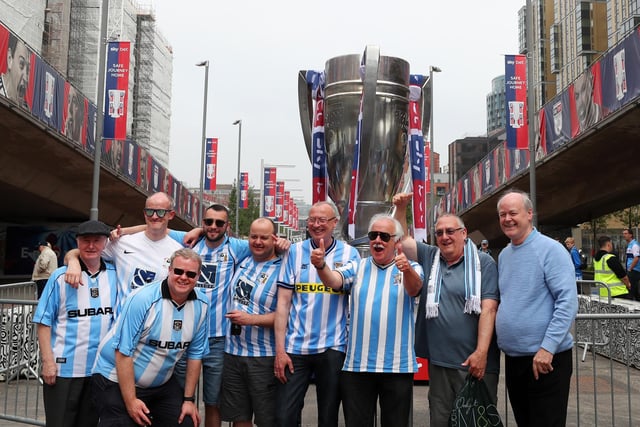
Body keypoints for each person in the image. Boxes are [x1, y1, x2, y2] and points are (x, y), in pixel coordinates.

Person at [393, 193, 500, 427]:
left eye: (450, 231)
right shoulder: (431, 257)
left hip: (474, 364)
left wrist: (481, 353)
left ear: (464, 233)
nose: (444, 236)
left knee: (475, 422)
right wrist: (402, 209)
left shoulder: (483, 263)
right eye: (439, 232)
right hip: (440, 363)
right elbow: (402, 240)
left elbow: (489, 309)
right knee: (440, 420)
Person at [314, 214, 423, 427]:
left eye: (384, 236)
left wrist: (407, 269)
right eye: (373, 235)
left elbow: (415, 289)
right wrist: (321, 266)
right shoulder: (358, 266)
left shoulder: (412, 267)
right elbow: (334, 280)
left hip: (397, 366)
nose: (378, 240)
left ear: (397, 242)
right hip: (358, 366)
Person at [92, 248, 209, 427]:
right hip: (114, 378)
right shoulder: (142, 299)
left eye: (190, 274)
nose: (183, 277)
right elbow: (123, 352)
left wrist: (188, 400)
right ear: (169, 270)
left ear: (198, 276)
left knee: (186, 422)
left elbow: (195, 354)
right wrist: (131, 402)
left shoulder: (202, 305)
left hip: (160, 385)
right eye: (178, 271)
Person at [274, 201, 360, 427]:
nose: (316, 224)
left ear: (334, 223)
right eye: (312, 219)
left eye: (322, 220)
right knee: (284, 416)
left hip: (332, 347)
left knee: (328, 417)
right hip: (295, 348)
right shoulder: (294, 251)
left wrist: (321, 265)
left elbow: (335, 282)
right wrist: (280, 351)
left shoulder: (350, 253)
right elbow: (283, 303)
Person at [496, 189, 578, 426]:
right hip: (515, 360)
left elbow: (567, 302)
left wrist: (547, 348)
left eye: (513, 213)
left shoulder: (551, 250)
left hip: (545, 360)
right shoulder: (505, 255)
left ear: (529, 214)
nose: (507, 219)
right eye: (502, 214)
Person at [33, 220, 117, 427]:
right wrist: (48, 362)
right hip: (64, 372)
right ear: (77, 242)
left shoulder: (117, 274)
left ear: (105, 243)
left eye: (96, 241)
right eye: (85, 241)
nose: (91, 246)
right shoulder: (59, 277)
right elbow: (43, 322)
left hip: (99, 371)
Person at [64, 192, 183, 315]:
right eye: (149, 211)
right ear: (144, 213)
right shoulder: (121, 243)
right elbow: (86, 251)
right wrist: (73, 261)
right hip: (121, 327)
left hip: (155, 328)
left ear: (171, 215)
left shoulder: (178, 252)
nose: (154, 216)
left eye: (160, 212)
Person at [219, 217, 283, 427]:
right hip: (233, 353)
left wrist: (251, 320)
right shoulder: (244, 259)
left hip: (264, 357)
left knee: (267, 419)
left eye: (264, 238)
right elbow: (214, 233)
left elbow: (288, 316)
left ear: (275, 239)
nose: (258, 242)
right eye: (253, 236)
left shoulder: (283, 267)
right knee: (239, 417)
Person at [0, 33, 30, 109]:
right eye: (21, 64)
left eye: (28, 70)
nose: (25, 78)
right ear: (10, 58)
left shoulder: (25, 108)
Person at [622, 228, 640, 301]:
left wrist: (630, 269)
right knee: (634, 290)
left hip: (634, 270)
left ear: (631, 235)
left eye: (626, 234)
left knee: (630, 290)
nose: (624, 235)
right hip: (632, 270)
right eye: (623, 234)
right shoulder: (630, 245)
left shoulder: (634, 245)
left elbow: (636, 258)